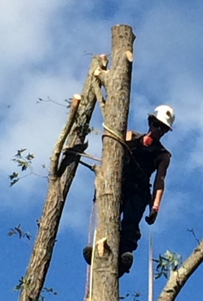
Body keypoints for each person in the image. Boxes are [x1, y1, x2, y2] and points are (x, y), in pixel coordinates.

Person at [83, 105, 175, 277]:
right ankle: (98, 248)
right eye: (157, 125)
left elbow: (159, 181)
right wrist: (137, 143)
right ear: (150, 122)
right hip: (119, 184)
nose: (159, 130)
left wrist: (155, 207)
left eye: (163, 129)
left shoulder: (163, 155)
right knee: (109, 216)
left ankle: (123, 257)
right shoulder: (132, 135)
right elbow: (115, 148)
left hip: (139, 190)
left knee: (130, 223)